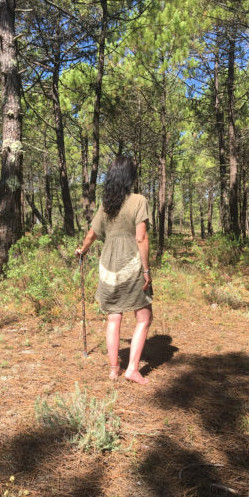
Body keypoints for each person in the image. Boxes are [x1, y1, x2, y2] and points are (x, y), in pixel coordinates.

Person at [76, 156, 153, 385]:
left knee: (114, 316)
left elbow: (92, 234)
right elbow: (141, 238)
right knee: (144, 316)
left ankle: (113, 369)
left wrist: (83, 250)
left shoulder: (106, 204)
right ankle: (131, 369)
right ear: (131, 177)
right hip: (131, 263)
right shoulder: (139, 200)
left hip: (108, 265)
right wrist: (146, 271)